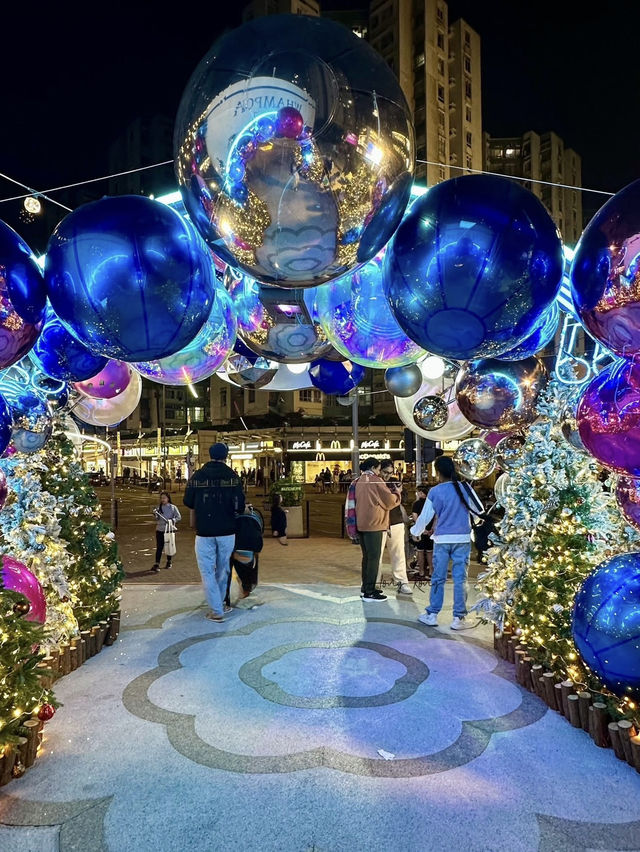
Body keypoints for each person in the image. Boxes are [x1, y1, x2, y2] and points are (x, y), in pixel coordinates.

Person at [410, 456, 484, 630]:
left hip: (442, 540)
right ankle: (459, 618)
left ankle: (432, 614)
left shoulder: (435, 491)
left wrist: (415, 532)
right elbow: (478, 511)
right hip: (462, 539)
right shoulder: (464, 487)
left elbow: (425, 516)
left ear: (438, 472)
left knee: (438, 577)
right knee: (460, 579)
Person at [183, 443, 245, 622]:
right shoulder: (232, 476)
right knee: (223, 569)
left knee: (207, 571)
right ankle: (220, 605)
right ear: (225, 456)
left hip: (205, 531)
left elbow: (188, 501)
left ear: (209, 455)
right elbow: (239, 505)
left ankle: (216, 610)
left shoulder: (199, 475)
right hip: (227, 531)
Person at [355, 457, 401, 602]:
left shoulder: (359, 480)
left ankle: (366, 588)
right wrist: (397, 492)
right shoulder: (375, 480)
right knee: (374, 558)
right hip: (374, 523)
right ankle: (370, 591)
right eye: (380, 468)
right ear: (375, 467)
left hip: (361, 522)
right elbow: (389, 500)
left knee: (367, 557)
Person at [378, 460, 413, 595]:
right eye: (385, 472)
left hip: (395, 521)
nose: (387, 475)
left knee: (398, 554)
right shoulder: (375, 482)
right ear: (379, 470)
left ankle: (402, 582)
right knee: (377, 555)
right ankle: (375, 583)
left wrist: (399, 491)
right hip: (380, 523)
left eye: (390, 473)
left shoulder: (394, 482)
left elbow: (401, 499)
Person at [151, 491, 181, 572]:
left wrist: (172, 520)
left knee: (169, 546)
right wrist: (155, 514)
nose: (162, 499)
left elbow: (178, 517)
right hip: (160, 530)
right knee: (159, 547)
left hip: (169, 530)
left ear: (168, 498)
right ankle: (157, 563)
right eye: (161, 498)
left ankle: (169, 561)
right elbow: (157, 518)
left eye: (164, 498)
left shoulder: (173, 507)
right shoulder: (158, 508)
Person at [411, 483, 434, 579]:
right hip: (430, 531)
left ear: (421, 493)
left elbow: (415, 517)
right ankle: (431, 571)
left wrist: (421, 529)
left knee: (420, 551)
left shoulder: (416, 504)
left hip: (421, 531)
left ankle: (421, 571)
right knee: (430, 551)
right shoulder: (432, 503)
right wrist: (431, 529)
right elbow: (435, 517)